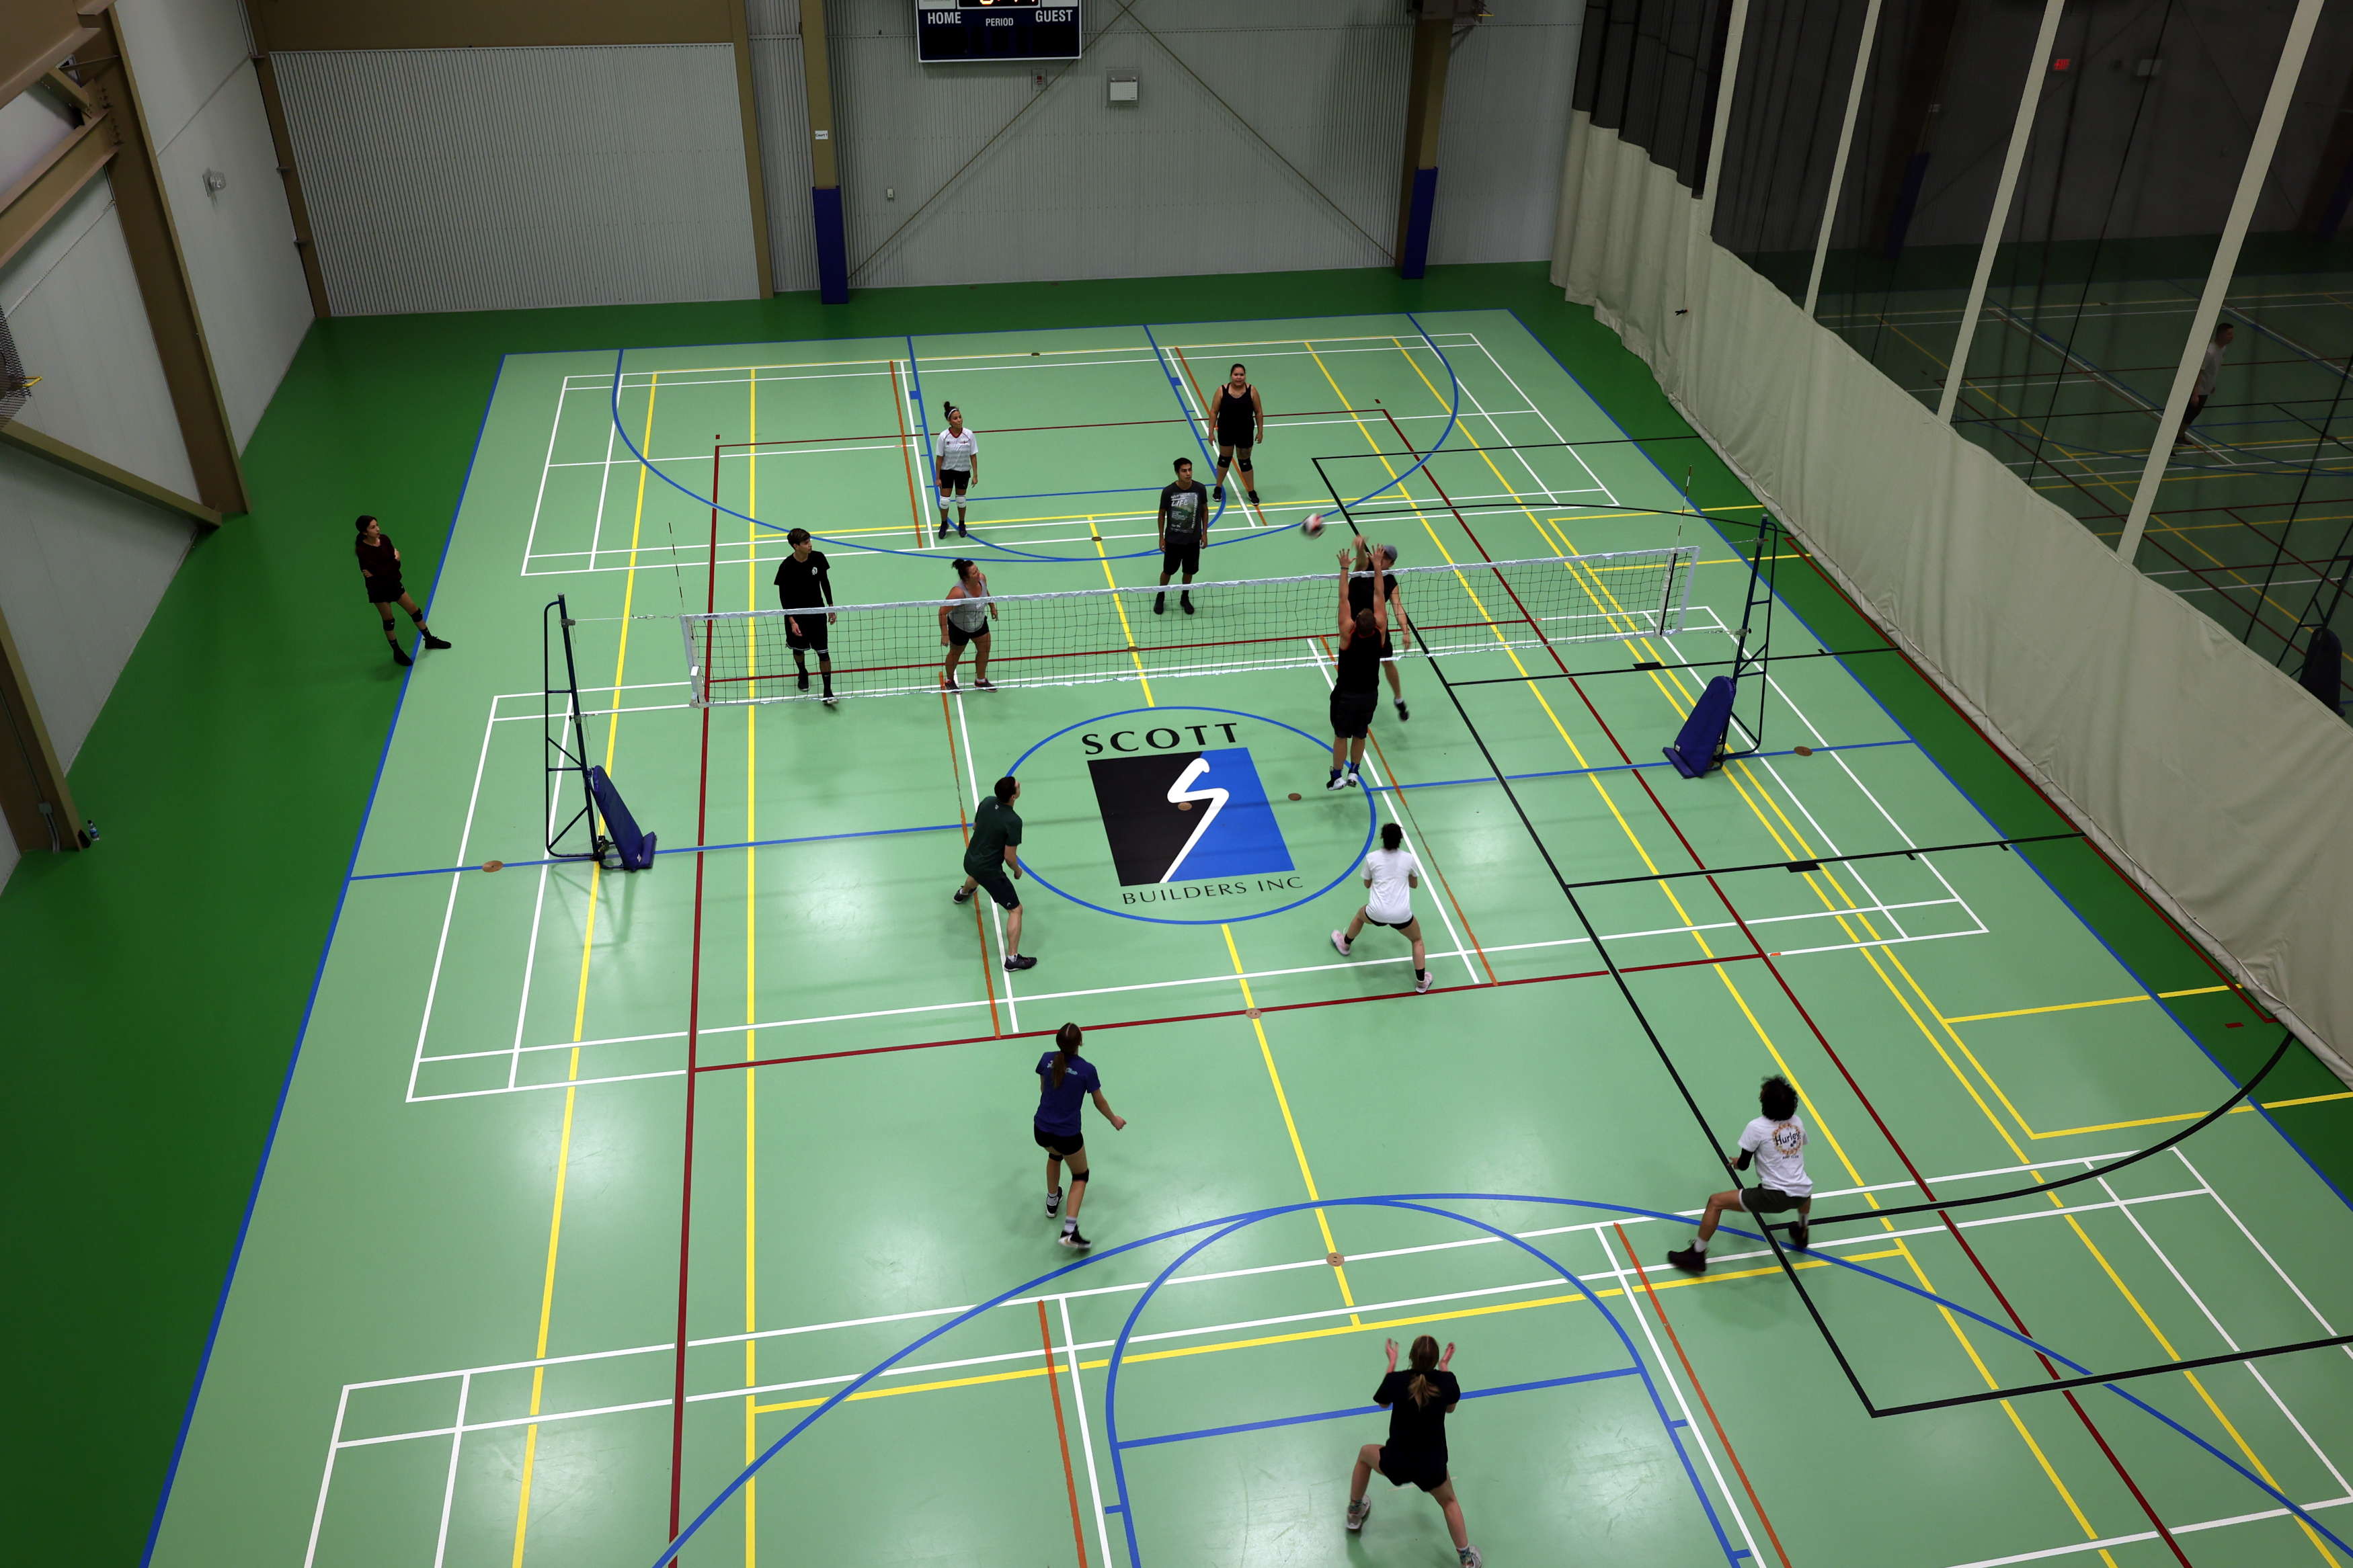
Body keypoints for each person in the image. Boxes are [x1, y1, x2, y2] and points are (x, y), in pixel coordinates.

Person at [1346, 1335, 1480, 1567]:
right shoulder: (1446, 1382)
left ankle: (1354, 1512)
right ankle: (1467, 1559)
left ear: (1411, 1358)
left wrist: (1391, 1363)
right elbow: (1450, 1409)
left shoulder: (1397, 1380)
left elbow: (1383, 1403)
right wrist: (1446, 1369)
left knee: (1364, 1455)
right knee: (1449, 1503)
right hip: (1431, 1466)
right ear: (1437, 1360)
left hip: (1397, 1462)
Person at [1666, 1073, 1814, 1274]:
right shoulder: (1797, 1122)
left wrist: (1737, 1162)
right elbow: (1793, 1147)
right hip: (1801, 1194)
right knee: (1802, 1186)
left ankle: (1697, 1254)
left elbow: (1744, 1165)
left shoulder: (1757, 1127)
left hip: (1773, 1196)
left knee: (1715, 1202)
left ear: (1765, 1103)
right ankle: (1803, 1230)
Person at [1032, 1022, 1125, 1249]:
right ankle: (1069, 1232)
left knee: (1054, 1157)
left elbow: (1043, 1088)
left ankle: (1052, 1201)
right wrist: (1114, 1119)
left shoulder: (1046, 1059)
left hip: (1041, 1129)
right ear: (1080, 1043)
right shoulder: (1086, 1070)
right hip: (1068, 1135)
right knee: (1080, 1176)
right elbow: (1099, 1101)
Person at [1330, 822, 1431, 993]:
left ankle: (1345, 944)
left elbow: (1367, 884)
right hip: (1402, 915)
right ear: (1401, 839)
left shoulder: (1371, 858)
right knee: (1417, 940)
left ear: (1382, 838)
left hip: (1376, 912)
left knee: (1360, 916)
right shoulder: (1409, 859)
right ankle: (1421, 983)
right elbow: (1414, 885)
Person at [955, 774, 1036, 971]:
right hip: (989, 870)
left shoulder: (988, 802)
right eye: (1017, 785)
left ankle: (963, 894)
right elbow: (1009, 857)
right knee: (1016, 910)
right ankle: (1013, 959)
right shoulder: (1013, 821)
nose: (1019, 784)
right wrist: (1017, 871)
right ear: (1014, 796)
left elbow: (975, 826)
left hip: (970, 859)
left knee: (975, 876)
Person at [1326, 547, 1387, 791]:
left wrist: (1344, 568)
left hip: (1346, 695)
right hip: (1370, 694)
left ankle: (1337, 776)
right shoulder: (1380, 633)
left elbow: (1343, 598)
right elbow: (1379, 596)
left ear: (1356, 622)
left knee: (1342, 736)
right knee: (1361, 734)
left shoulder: (1347, 634)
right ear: (1375, 624)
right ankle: (1354, 771)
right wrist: (1378, 568)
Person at [354, 514, 450, 667]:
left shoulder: (385, 540)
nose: (378, 529)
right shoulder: (363, 551)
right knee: (389, 621)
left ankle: (430, 640)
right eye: (373, 527)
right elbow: (386, 568)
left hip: (393, 583)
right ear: (364, 532)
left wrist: (388, 566)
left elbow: (389, 569)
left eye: (377, 525)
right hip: (378, 589)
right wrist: (392, 563)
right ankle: (397, 652)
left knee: (415, 611)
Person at [771, 527, 836, 705]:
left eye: (810, 541)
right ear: (795, 546)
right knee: (798, 650)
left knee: (824, 653)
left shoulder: (818, 558)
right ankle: (803, 672)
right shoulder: (786, 567)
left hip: (817, 613)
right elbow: (784, 596)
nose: (810, 545)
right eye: (806, 543)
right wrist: (792, 620)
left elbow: (825, 582)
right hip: (796, 615)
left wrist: (830, 607)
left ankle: (828, 691)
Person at [1349, 538, 1410, 721]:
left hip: (1377, 629)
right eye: (1381, 554)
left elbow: (1398, 607)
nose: (1381, 558)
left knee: (1388, 662)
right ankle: (1353, 700)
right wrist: (1360, 548)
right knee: (1354, 666)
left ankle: (1399, 699)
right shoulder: (1365, 565)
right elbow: (1360, 559)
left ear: (1391, 563)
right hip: (1354, 625)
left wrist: (1406, 632)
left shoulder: (1390, 580)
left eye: (1385, 558)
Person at [1154, 456, 1211, 615]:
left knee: (1189, 571)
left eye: (1190, 470)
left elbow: (1205, 510)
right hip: (1173, 540)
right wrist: (1161, 537)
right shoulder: (1169, 492)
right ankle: (1161, 596)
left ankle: (1184, 598)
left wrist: (1204, 534)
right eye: (1184, 471)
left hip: (1193, 540)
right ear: (1177, 473)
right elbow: (1161, 514)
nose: (1188, 473)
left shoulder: (1200, 489)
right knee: (1168, 571)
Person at [1208, 362, 1264, 505]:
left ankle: (1251, 491)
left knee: (1245, 462)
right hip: (1226, 431)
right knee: (1224, 460)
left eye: (1242, 375)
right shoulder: (1222, 391)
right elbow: (1214, 412)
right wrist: (1211, 432)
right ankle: (1218, 488)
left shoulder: (1252, 391)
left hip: (1245, 432)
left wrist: (1260, 431)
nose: (1239, 377)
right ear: (1231, 376)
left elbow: (1258, 412)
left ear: (1245, 376)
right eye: (1236, 374)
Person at [2173, 322, 2235, 448]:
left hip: (2205, 389)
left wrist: (2211, 385)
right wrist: (2195, 394)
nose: (2232, 337)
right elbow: (2198, 371)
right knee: (2183, 416)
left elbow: (2213, 369)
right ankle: (2169, 444)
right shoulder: (2210, 352)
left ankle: (2179, 436)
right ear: (2221, 335)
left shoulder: (2222, 349)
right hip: (2196, 390)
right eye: (2229, 334)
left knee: (2192, 415)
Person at [939, 557, 996, 692]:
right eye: (974, 573)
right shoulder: (958, 593)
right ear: (966, 578)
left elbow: (986, 592)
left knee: (985, 649)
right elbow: (942, 612)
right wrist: (945, 634)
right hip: (960, 627)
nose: (978, 573)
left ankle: (981, 681)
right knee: (955, 654)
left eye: (977, 570)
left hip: (979, 623)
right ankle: (949, 680)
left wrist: (992, 606)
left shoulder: (982, 578)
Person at [934, 403, 980, 537]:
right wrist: (938, 478)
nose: (959, 420)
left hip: (963, 472)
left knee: (961, 500)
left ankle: (962, 524)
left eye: (960, 417)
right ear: (949, 421)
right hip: (947, 472)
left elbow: (973, 456)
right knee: (944, 501)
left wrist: (975, 475)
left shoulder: (969, 435)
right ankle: (944, 523)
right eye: (955, 418)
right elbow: (939, 459)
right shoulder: (943, 436)